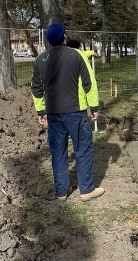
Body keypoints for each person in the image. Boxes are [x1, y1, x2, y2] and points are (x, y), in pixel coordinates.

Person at [31, 23, 104, 202]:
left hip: (54, 113)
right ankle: (86, 190)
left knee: (58, 152)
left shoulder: (40, 59)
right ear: (65, 36)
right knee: (83, 149)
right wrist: (94, 108)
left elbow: (36, 89)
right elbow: (90, 83)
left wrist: (41, 111)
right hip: (76, 112)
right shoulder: (77, 55)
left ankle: (61, 192)